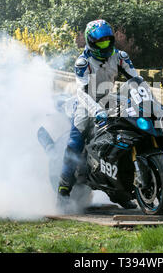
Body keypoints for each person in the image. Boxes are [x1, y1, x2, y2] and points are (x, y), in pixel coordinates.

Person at [57, 19, 139, 209]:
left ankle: (121, 192)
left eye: (108, 41)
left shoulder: (120, 56)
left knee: (125, 138)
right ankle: (63, 189)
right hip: (86, 103)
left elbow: (136, 78)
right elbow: (82, 92)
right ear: (91, 42)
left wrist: (142, 97)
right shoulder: (83, 62)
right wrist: (97, 111)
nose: (105, 45)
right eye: (100, 42)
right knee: (74, 143)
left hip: (109, 99)